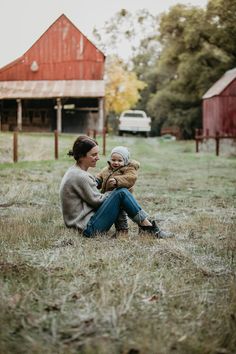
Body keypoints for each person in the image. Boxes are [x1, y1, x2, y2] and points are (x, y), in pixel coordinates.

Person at [59, 135, 173, 239]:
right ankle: (148, 227)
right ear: (81, 156)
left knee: (119, 193)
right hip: (87, 229)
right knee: (121, 192)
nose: (98, 158)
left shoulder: (74, 172)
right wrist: (113, 193)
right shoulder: (80, 176)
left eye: (97, 154)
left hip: (81, 225)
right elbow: (97, 201)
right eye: (93, 155)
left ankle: (142, 226)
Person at [96, 146, 139, 235]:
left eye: (120, 161)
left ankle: (122, 230)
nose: (116, 163)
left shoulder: (128, 169)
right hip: (108, 196)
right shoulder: (106, 169)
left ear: (125, 161)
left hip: (122, 198)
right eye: (113, 160)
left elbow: (131, 178)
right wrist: (97, 181)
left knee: (120, 214)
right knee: (113, 213)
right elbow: (101, 176)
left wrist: (117, 180)